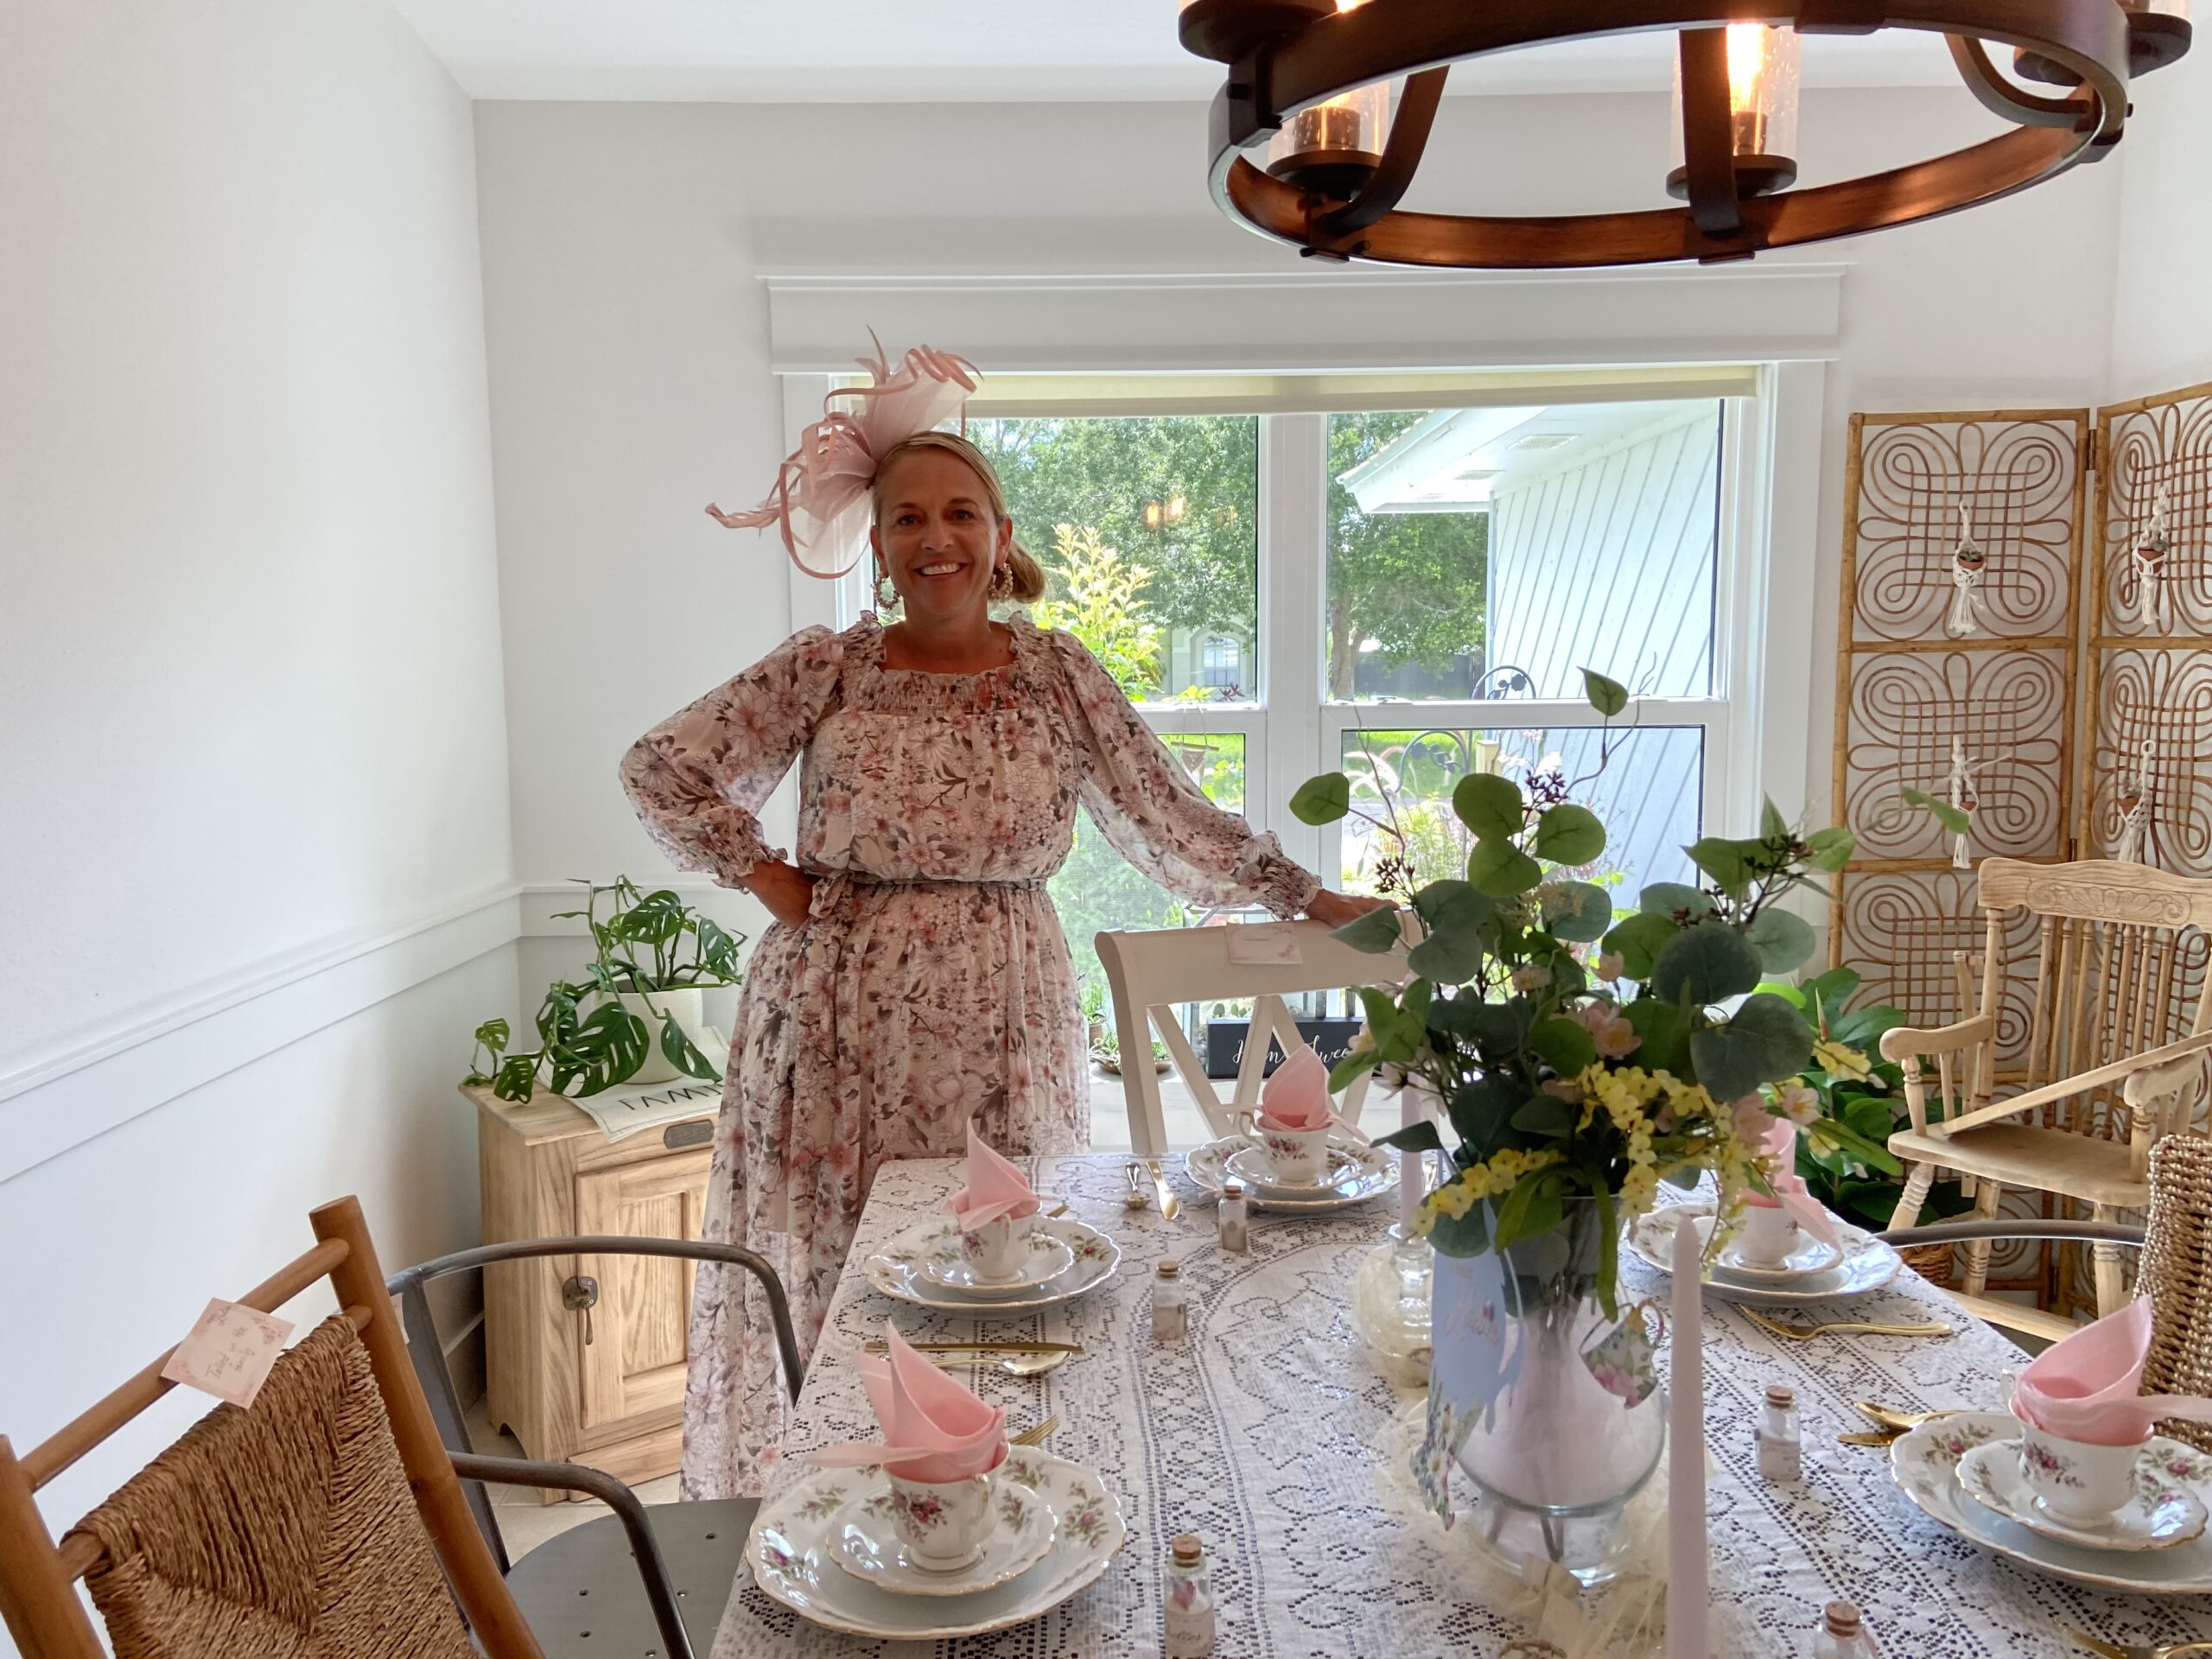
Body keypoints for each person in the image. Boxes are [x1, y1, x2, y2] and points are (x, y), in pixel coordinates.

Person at [620, 340, 1389, 1497]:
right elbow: (661, 767)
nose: (936, 538)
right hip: (835, 1014)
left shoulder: (1056, 676)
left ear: (1000, 533)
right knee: (848, 1273)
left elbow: (1167, 812)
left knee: (1007, 1261)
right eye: (908, 518)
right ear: (877, 545)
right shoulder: (825, 670)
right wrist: (768, 876)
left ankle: (1002, 1502)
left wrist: (1309, 895)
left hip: (1004, 1006)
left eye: (960, 513)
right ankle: (852, 1505)